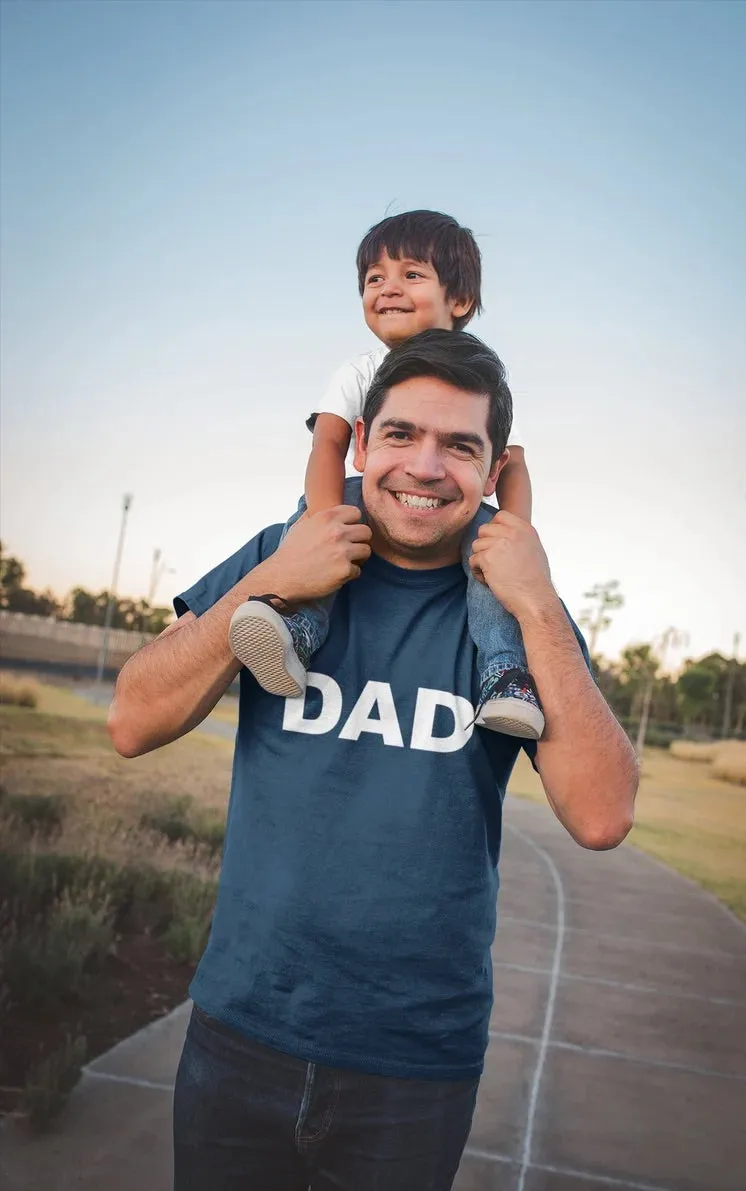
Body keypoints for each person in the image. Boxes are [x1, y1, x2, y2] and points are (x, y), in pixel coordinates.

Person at [108, 329, 638, 1191]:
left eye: (459, 445)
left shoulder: (511, 606)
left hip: (413, 1064)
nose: (425, 466)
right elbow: (131, 719)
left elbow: (602, 813)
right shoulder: (281, 558)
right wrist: (271, 577)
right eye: (401, 435)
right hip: (241, 1028)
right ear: (360, 442)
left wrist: (538, 601)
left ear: (494, 468)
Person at [229, 209, 545, 740]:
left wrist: (514, 539)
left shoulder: (480, 377)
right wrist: (323, 523)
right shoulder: (359, 370)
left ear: (460, 301)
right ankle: (298, 628)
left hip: (455, 519)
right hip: (356, 503)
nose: (388, 288)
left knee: (491, 577)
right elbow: (327, 444)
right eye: (374, 278)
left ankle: (506, 676)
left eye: (411, 275)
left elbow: (512, 462)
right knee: (308, 536)